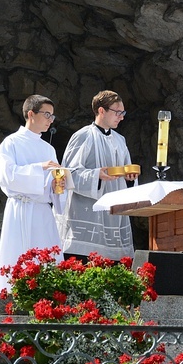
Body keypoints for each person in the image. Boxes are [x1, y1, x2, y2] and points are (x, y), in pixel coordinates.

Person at [0, 95, 67, 292]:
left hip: (42, 213)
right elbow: (5, 175)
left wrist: (57, 185)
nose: (51, 119)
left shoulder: (49, 149)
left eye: (52, 115)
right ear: (31, 114)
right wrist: (39, 168)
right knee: (16, 257)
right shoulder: (11, 143)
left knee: (46, 259)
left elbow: (52, 188)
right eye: (47, 114)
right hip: (19, 209)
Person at [59, 90, 137, 262]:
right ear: (101, 111)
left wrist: (129, 179)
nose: (121, 117)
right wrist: (97, 176)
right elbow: (69, 174)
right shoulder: (83, 136)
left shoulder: (120, 140)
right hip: (87, 215)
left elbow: (126, 173)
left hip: (113, 216)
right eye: (118, 112)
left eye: (123, 112)